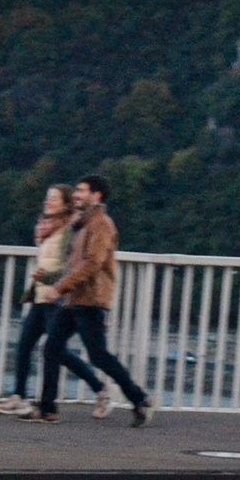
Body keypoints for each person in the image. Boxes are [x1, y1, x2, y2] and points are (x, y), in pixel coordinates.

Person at [25, 174, 154, 426]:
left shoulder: (102, 225)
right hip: (73, 299)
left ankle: (139, 399)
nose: (76, 195)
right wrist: (56, 281)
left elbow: (92, 263)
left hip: (91, 299)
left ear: (97, 196)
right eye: (76, 191)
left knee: (98, 355)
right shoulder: (81, 224)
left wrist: (59, 288)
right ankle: (47, 409)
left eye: (81, 191)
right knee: (51, 348)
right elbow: (72, 263)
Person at [0, 185, 105, 418]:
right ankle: (19, 396)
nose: (47, 202)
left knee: (57, 352)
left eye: (53, 198)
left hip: (56, 298)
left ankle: (99, 388)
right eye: (47, 198)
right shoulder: (45, 226)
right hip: (41, 296)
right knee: (24, 345)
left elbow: (69, 265)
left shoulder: (69, 229)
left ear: (65, 203)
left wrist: (50, 279)